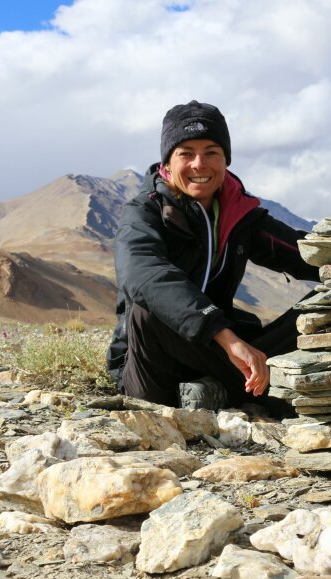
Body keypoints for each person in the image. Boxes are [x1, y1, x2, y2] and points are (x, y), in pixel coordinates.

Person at [107, 100, 318, 411]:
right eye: (186, 153)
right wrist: (227, 338)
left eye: (211, 152)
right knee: (147, 312)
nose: (198, 164)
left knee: (327, 304)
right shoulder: (145, 212)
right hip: (155, 361)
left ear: (225, 160)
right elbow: (143, 274)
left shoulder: (239, 215)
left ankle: (221, 390)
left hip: (221, 355)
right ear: (168, 160)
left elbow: (306, 254)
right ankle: (249, 393)